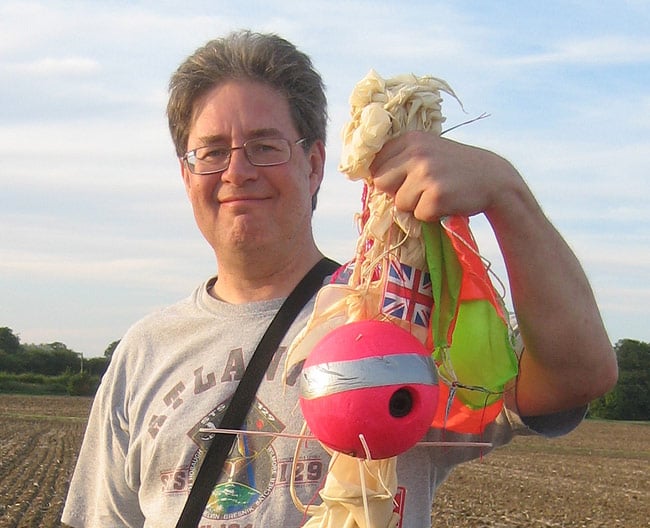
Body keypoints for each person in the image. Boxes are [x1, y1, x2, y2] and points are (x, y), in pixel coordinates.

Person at [62, 30, 617, 528]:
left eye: (264, 146)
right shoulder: (145, 349)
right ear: (187, 175)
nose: (237, 171)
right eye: (211, 152)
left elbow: (577, 373)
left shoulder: (397, 314)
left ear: (314, 163)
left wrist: (506, 194)